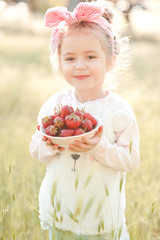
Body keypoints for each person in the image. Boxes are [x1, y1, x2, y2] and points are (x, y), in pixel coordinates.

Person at [29, 1, 140, 239]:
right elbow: (35, 149)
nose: (80, 65)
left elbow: (131, 160)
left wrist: (98, 146)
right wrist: (48, 144)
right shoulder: (54, 106)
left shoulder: (119, 110)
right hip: (60, 215)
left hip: (103, 220)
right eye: (69, 58)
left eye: (91, 56)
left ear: (110, 60)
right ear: (58, 62)